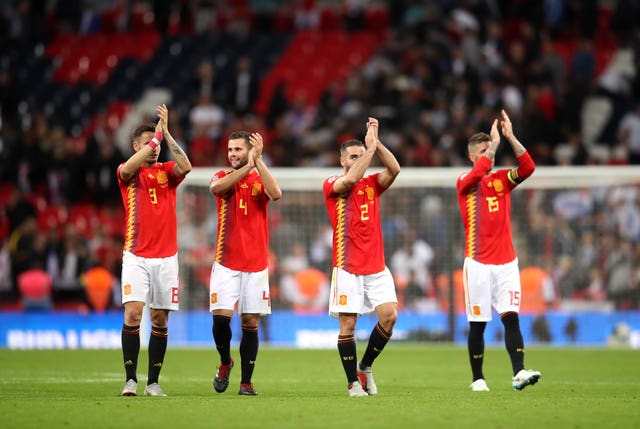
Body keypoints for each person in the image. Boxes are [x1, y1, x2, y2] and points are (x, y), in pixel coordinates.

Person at [456, 109, 541, 392]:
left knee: (511, 318)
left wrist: (510, 137)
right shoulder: (465, 182)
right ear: (471, 156)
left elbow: (528, 168)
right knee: (478, 323)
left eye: (489, 149)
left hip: (506, 263)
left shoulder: (502, 180)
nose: (487, 155)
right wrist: (493, 144)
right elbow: (480, 169)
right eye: (481, 151)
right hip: (478, 264)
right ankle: (477, 378)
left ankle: (519, 373)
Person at [117, 104, 192, 397]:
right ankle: (130, 379)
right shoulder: (128, 173)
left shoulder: (167, 173)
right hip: (136, 255)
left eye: (157, 144)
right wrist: (154, 138)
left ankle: (153, 382)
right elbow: (126, 169)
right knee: (133, 314)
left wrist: (167, 133)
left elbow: (185, 166)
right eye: (149, 143)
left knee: (160, 319)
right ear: (137, 146)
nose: (155, 148)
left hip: (166, 258)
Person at [322, 117, 401, 397]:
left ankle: (364, 367)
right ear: (342, 160)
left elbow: (394, 168)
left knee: (390, 316)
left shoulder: (372, 184)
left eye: (360, 155)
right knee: (349, 324)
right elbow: (353, 178)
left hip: (376, 265)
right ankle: (352, 383)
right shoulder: (333, 183)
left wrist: (376, 144)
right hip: (347, 266)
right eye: (352, 157)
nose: (357, 160)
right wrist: (368, 151)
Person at [208, 130, 282, 396]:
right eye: (230, 150)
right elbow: (216, 189)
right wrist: (249, 164)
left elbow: (276, 193)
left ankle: (246, 382)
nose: (232, 154)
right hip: (226, 263)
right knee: (221, 320)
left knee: (250, 323)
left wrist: (258, 163)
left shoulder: (259, 180)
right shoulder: (222, 177)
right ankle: (226, 361)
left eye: (238, 149)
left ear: (249, 151)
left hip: (256, 265)